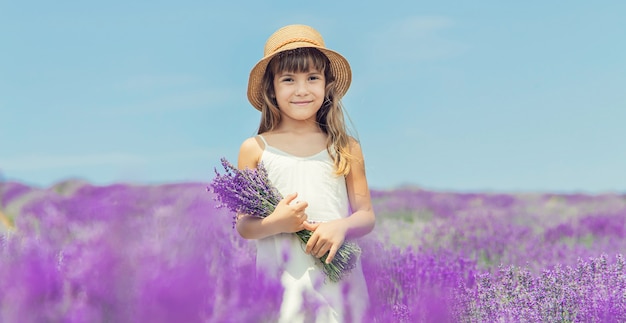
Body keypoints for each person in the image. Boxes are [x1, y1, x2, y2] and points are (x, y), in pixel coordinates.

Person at [236, 24, 376, 323]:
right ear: (271, 88)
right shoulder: (255, 148)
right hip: (281, 279)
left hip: (338, 279)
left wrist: (341, 227)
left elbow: (365, 215)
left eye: (312, 78)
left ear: (327, 84)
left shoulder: (345, 146)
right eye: (288, 79)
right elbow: (245, 226)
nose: (302, 89)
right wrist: (277, 222)